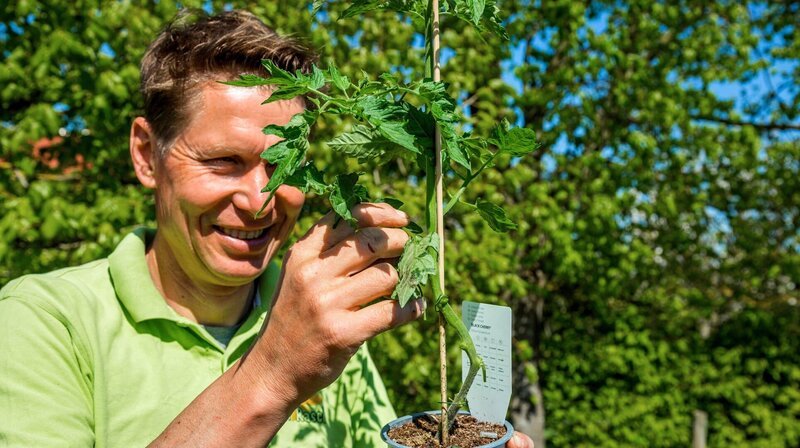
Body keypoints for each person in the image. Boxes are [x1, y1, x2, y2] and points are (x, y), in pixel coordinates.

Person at [0, 9, 534, 448]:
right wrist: (274, 372)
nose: (259, 201)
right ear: (146, 154)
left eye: (286, 165)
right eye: (223, 161)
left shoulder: (318, 317)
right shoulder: (44, 323)